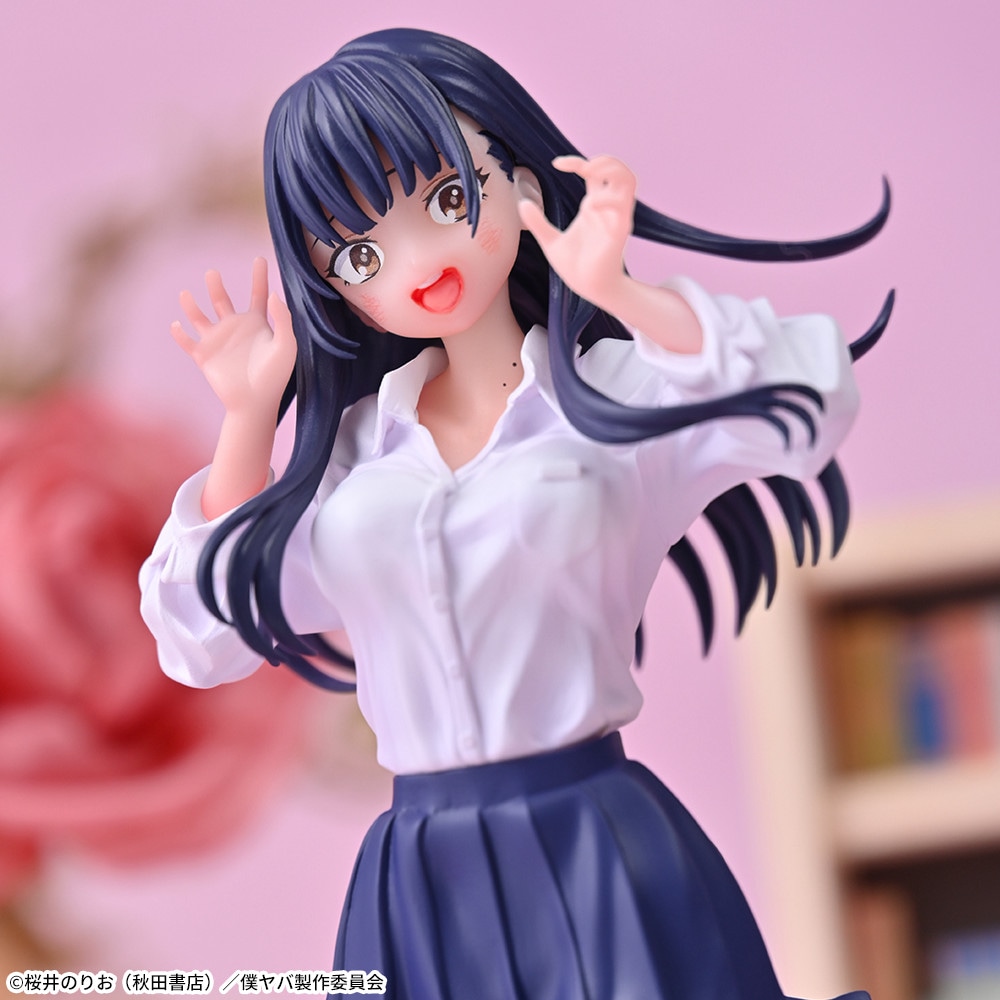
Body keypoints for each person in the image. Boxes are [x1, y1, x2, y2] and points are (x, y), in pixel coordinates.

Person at [140, 28, 889, 1000]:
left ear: (518, 178)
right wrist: (248, 421)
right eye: (360, 252)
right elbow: (202, 633)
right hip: (419, 879)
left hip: (595, 838)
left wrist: (623, 293)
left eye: (449, 199)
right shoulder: (356, 459)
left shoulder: (610, 398)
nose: (418, 261)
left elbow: (805, 397)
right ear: (334, 289)